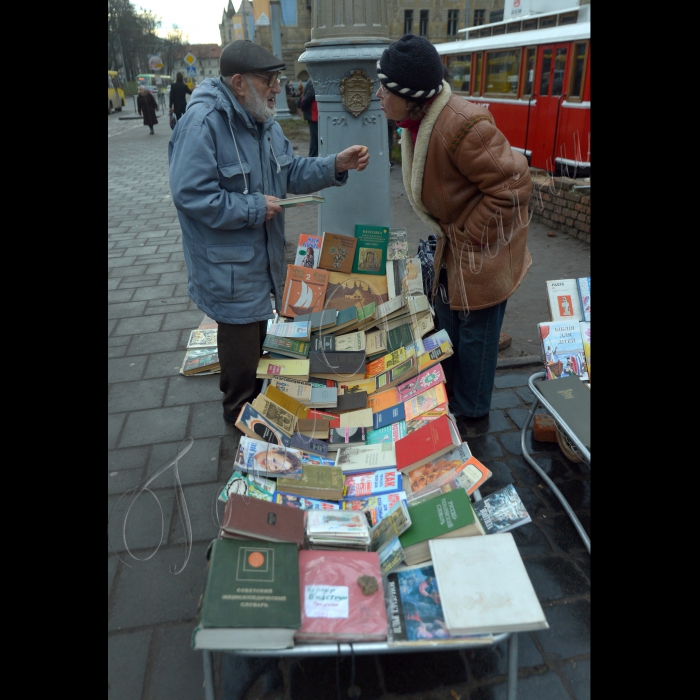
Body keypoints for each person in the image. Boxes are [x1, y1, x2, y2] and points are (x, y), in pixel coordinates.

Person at [168, 40, 370, 431]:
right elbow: (191, 195)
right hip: (228, 267)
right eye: (270, 80)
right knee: (241, 357)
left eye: (277, 79)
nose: (278, 88)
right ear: (240, 82)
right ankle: (240, 423)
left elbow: (288, 172)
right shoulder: (203, 122)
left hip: (261, 261)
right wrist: (254, 208)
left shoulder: (263, 121)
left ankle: (256, 412)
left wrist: (333, 166)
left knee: (259, 346)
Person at [376, 35, 532, 421]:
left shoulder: (463, 125)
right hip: (458, 248)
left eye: (385, 86)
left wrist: (469, 234)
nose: (378, 94)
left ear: (410, 94)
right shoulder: (418, 122)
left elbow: (513, 186)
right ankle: (449, 405)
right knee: (448, 326)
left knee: (476, 337)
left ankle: (471, 418)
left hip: (485, 251)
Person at [299, 78, 318, 157]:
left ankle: (313, 157)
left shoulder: (311, 81)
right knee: (315, 139)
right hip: (314, 114)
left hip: (314, 114)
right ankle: (312, 158)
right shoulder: (313, 81)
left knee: (315, 138)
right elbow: (309, 96)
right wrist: (303, 105)